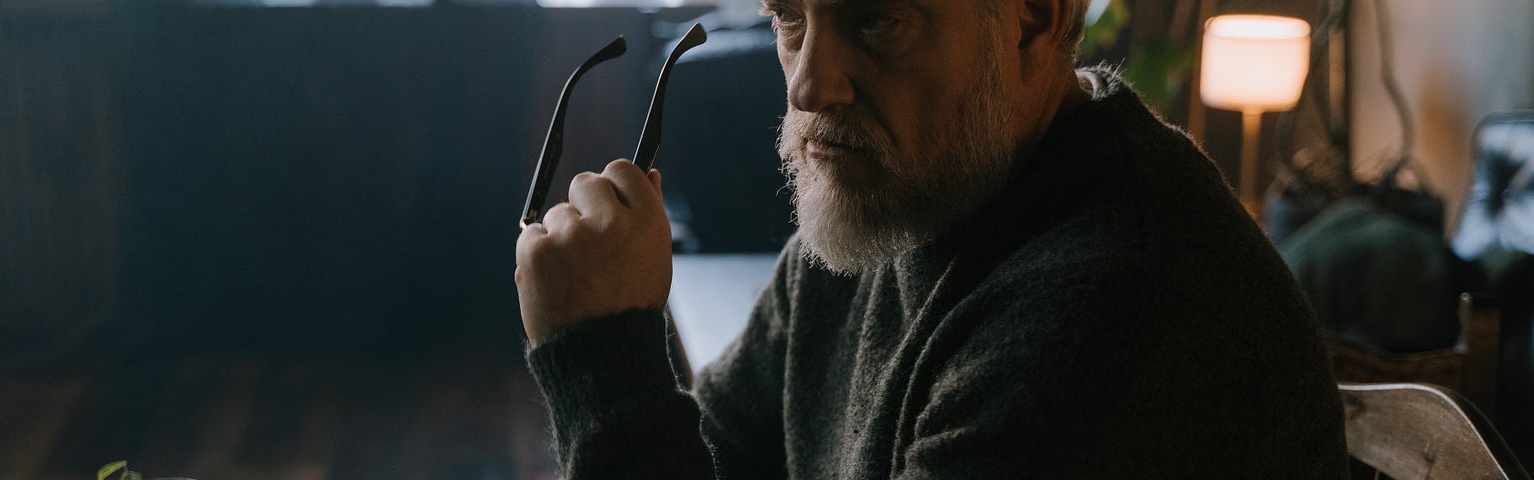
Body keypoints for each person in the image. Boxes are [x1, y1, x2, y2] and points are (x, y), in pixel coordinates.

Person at [512, 0, 1350, 477]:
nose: (809, 83)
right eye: (789, 15)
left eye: (875, 18)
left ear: (1031, 19)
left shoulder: (1117, 315)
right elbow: (725, 457)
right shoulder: (900, 196)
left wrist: (603, 361)